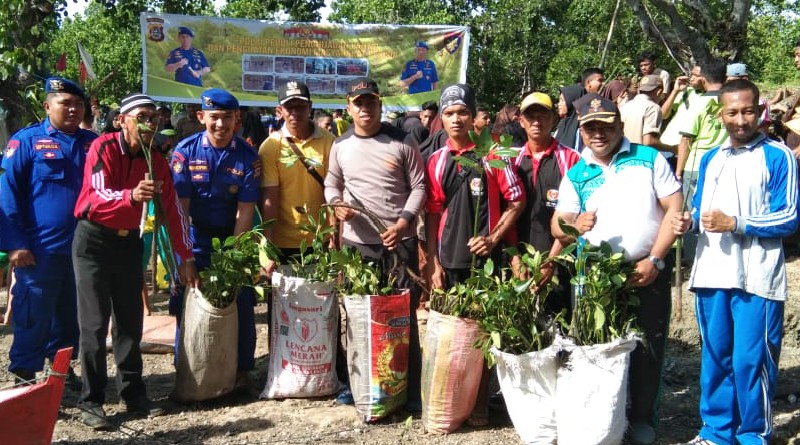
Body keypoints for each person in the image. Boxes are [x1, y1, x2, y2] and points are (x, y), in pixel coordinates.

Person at [672, 79, 798, 445]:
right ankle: (715, 432)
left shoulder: (778, 156)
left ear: (761, 111)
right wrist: (688, 221)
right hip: (712, 272)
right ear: (721, 114)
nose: (741, 119)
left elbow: (789, 217)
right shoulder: (712, 158)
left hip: (757, 276)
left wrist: (737, 223)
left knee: (750, 360)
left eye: (748, 111)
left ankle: (753, 435)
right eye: (732, 112)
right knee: (715, 359)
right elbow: (699, 209)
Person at [551, 95, 682, 445]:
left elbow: (674, 208)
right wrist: (574, 224)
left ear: (620, 127)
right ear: (581, 130)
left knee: (647, 348)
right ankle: (606, 418)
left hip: (646, 270)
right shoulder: (577, 173)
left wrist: (654, 259)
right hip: (594, 276)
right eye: (590, 127)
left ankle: (641, 420)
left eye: (605, 126)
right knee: (597, 349)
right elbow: (558, 225)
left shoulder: (650, 159)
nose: (598, 134)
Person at [72, 93, 197, 429]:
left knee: (130, 321)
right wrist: (130, 196)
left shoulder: (157, 160)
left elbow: (173, 212)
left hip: (129, 243)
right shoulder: (103, 147)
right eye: (142, 116)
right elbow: (95, 194)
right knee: (95, 324)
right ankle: (92, 400)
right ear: (121, 120)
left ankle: (133, 393)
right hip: (94, 242)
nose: (150, 123)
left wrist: (185, 257)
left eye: (154, 118)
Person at [324, 77, 426, 411]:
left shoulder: (402, 141)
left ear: (380, 105)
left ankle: (408, 391)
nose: (365, 108)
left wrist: (402, 223)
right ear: (349, 107)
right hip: (358, 245)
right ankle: (357, 385)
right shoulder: (340, 145)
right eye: (358, 103)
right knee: (357, 316)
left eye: (371, 102)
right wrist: (337, 204)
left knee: (402, 318)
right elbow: (331, 184)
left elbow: (419, 187)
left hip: (399, 244)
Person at [425, 84, 525, 425]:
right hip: (450, 262)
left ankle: (480, 403)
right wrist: (432, 262)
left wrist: (493, 239)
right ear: (441, 118)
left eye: (463, 112)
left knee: (484, 334)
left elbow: (516, 200)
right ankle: (454, 401)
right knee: (455, 337)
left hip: (486, 264)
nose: (456, 119)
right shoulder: (437, 161)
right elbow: (432, 213)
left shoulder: (494, 155)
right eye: (449, 113)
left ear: (473, 116)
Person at [0, 77, 97, 385]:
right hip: (39, 251)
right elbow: (7, 194)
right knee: (33, 314)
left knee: (71, 316)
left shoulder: (91, 144)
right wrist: (15, 244)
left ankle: (61, 374)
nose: (73, 110)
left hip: (82, 250)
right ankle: (24, 376)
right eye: (65, 103)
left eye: (78, 104)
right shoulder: (26, 141)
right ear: (47, 105)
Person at [170, 88, 261, 390]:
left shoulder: (248, 157)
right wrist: (185, 256)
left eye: (227, 118)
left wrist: (232, 259)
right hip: (195, 238)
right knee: (186, 300)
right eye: (214, 118)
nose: (220, 125)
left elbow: (245, 212)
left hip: (233, 238)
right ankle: (186, 365)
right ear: (200, 117)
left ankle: (242, 369)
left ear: (238, 119)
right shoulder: (185, 153)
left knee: (243, 299)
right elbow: (180, 210)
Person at [509, 92, 580, 314]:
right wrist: (515, 260)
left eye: (543, 115)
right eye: (531, 116)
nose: (537, 122)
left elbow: (575, 216)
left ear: (554, 119)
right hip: (519, 260)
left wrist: (552, 261)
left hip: (560, 259)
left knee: (560, 325)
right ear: (521, 121)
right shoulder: (511, 160)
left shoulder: (572, 159)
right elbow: (506, 213)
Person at [261, 81, 335, 263]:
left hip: (322, 239)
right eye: (289, 107)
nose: (295, 112)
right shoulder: (270, 147)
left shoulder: (330, 142)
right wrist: (268, 246)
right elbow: (270, 199)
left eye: (301, 106)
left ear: (309, 107)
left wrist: (335, 238)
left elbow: (334, 192)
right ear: (279, 111)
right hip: (283, 242)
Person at [620, 74, 676, 154]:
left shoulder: (624, 106)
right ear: (659, 91)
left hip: (621, 157)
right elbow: (649, 142)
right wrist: (673, 149)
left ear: (639, 90)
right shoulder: (653, 108)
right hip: (640, 157)